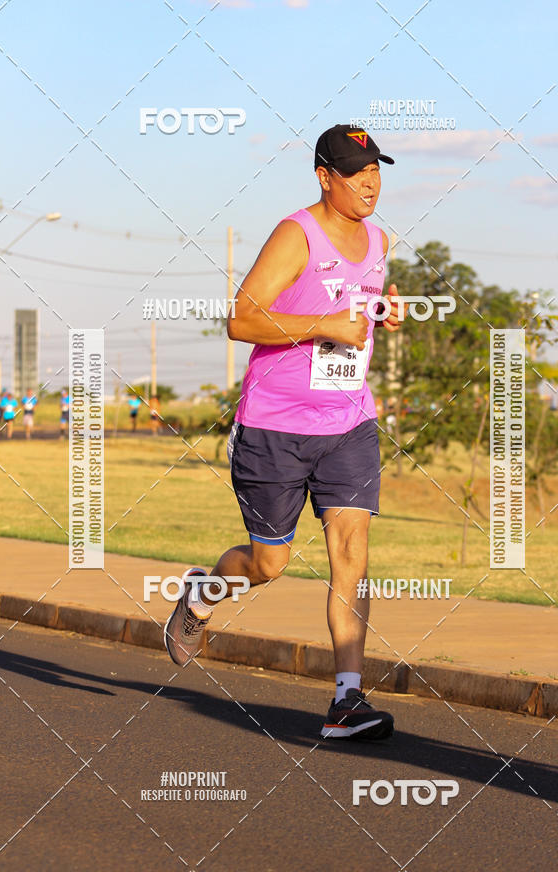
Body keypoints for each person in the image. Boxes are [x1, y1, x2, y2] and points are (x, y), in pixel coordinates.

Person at [165, 124, 405, 740]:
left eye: (376, 168)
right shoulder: (296, 233)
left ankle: (347, 701)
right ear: (325, 177)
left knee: (351, 557)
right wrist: (325, 322)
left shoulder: (380, 238)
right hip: (274, 427)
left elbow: (361, 301)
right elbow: (242, 319)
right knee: (269, 564)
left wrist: (384, 309)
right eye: (356, 172)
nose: (370, 182)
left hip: (348, 422)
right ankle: (204, 592)